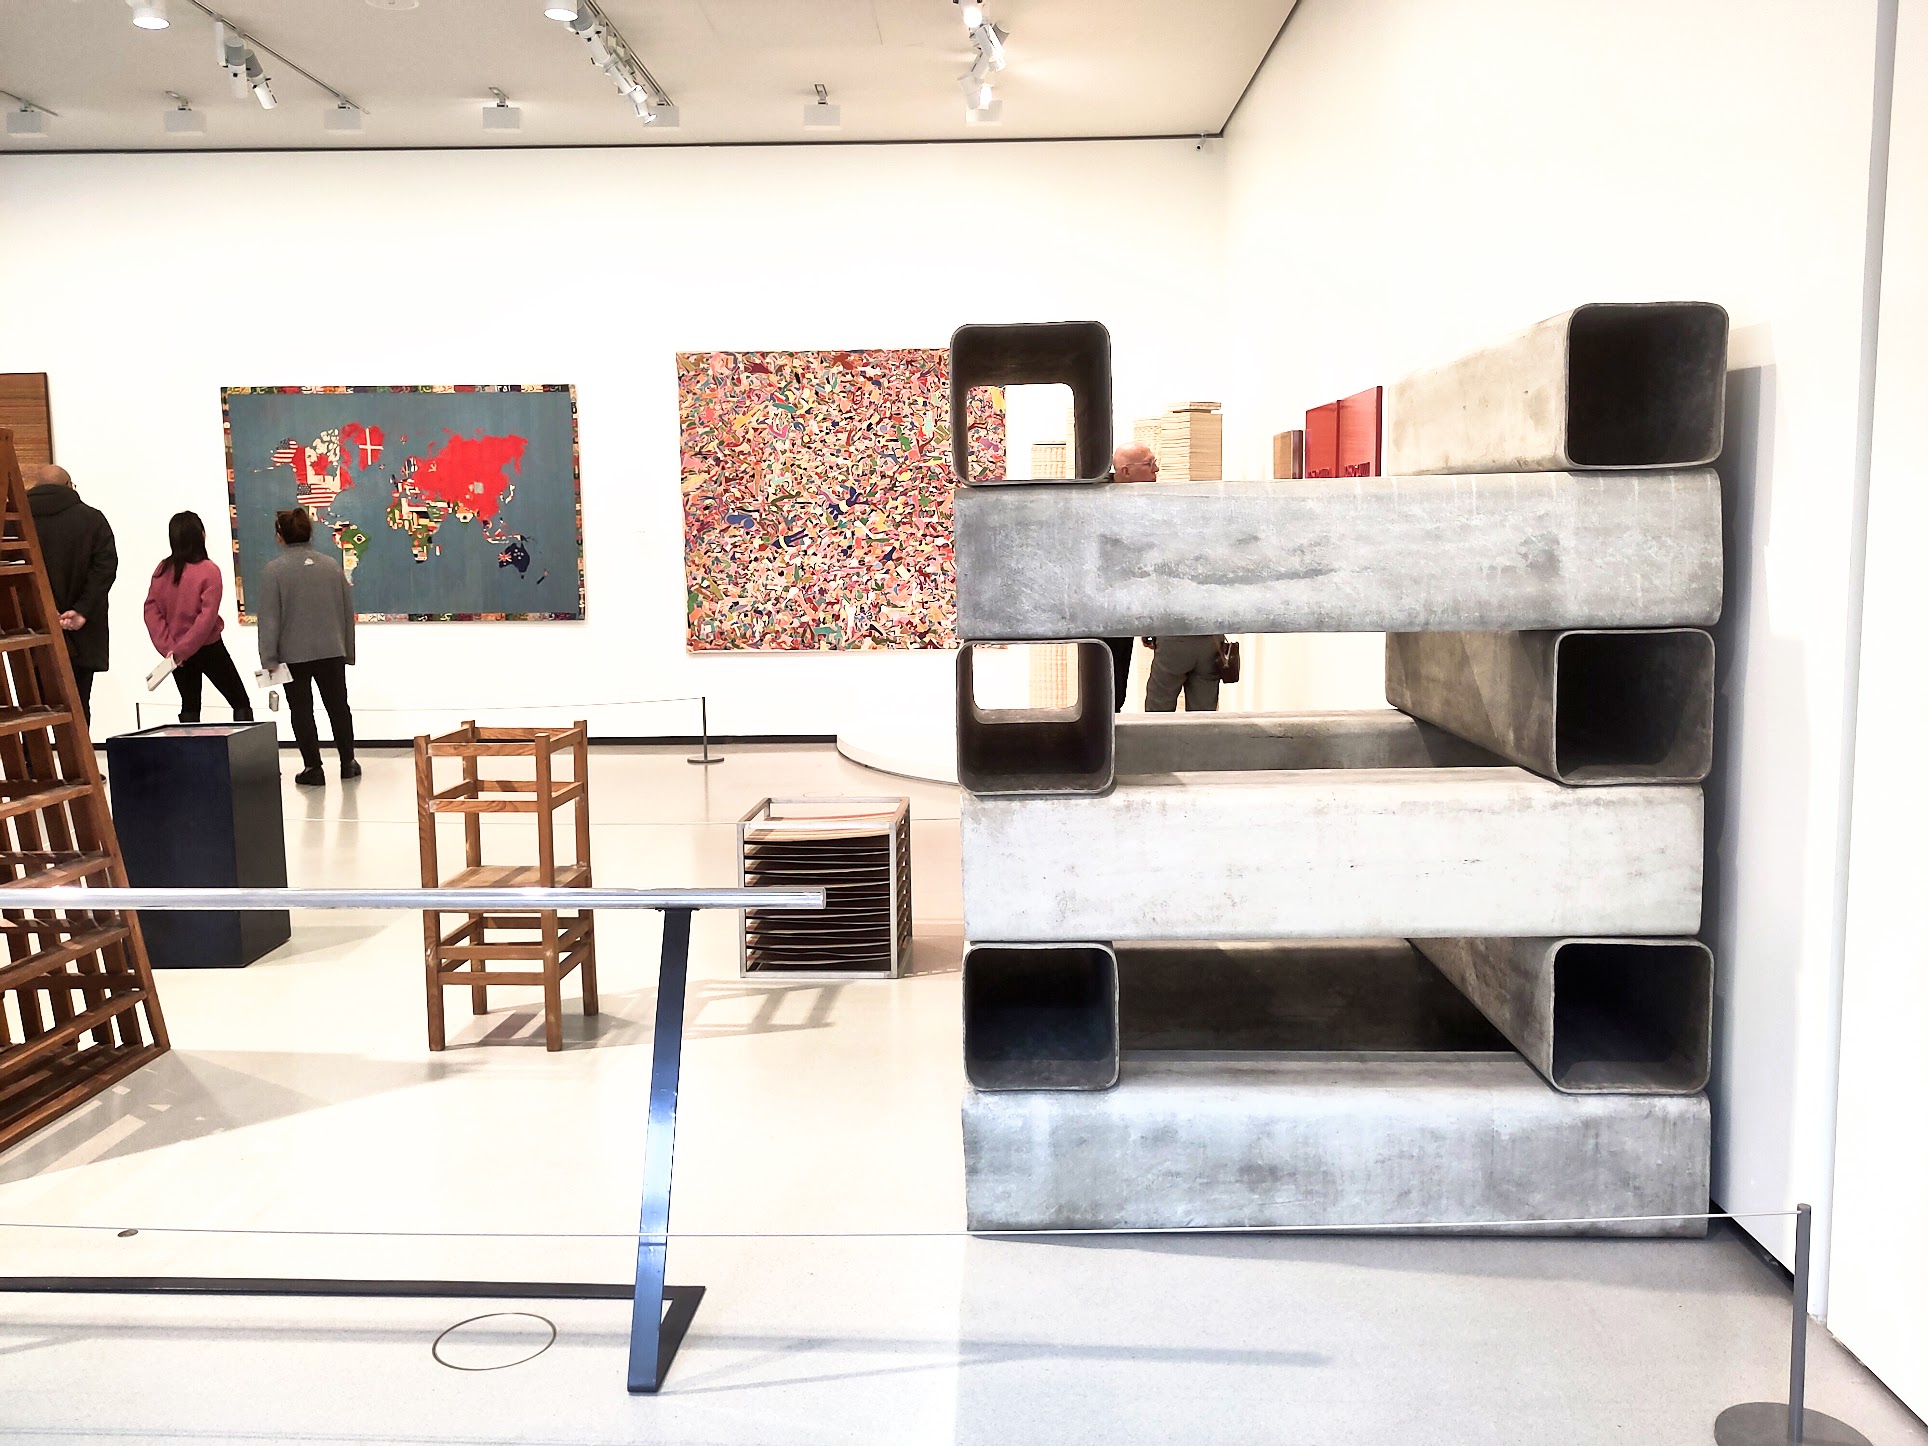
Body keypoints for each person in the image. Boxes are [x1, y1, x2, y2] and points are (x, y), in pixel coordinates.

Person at [256, 506, 359, 786]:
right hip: (332, 649)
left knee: (301, 711)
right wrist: (347, 651)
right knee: (338, 707)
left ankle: (313, 767)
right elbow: (345, 612)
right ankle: (348, 762)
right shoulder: (331, 566)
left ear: (280, 536)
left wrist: (268, 660)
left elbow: (269, 619)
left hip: (293, 655)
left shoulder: (274, 571)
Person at [143, 511, 254, 725]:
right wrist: (182, 650)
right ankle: (247, 747)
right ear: (201, 535)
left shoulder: (163, 569)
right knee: (240, 701)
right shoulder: (209, 570)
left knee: (190, 705)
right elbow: (206, 619)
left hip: (177, 654)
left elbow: (151, 610)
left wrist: (171, 649)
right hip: (208, 648)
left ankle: (190, 747)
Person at [25, 463, 116, 723]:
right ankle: (78, 752)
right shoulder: (92, 520)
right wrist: (81, 610)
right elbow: (104, 569)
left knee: (31, 707)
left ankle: (31, 752)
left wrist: (38, 614)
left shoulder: (16, 521)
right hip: (81, 634)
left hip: (31, 630)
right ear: (68, 486)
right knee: (78, 704)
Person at [1102, 443, 1160, 711]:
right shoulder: (1098, 499)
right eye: (1149, 464)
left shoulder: (1148, 504)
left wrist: (1148, 617)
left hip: (1127, 604)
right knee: (1104, 682)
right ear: (1125, 471)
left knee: (1117, 686)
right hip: (1102, 603)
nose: (1156, 470)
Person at [1143, 634, 1225, 713]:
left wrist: (1147, 633)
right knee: (1203, 708)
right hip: (1211, 642)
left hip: (1172, 640)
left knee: (1159, 707)